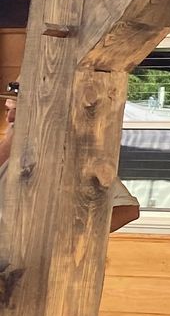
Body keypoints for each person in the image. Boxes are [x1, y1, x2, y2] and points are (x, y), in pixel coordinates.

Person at [0, 88, 143, 231]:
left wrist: (71, 235)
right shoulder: (8, 153)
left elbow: (127, 210)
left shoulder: (69, 159)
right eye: (8, 110)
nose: (10, 118)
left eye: (20, 110)